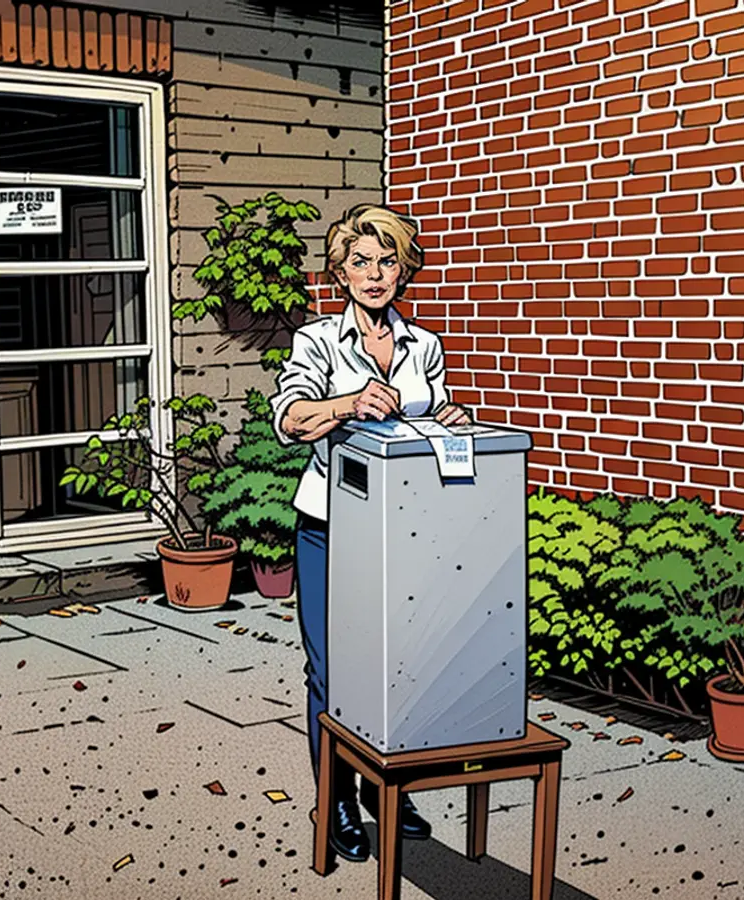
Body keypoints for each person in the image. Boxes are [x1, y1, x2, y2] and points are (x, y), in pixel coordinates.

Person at [270, 204, 473, 862]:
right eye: (361, 261)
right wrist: (348, 404)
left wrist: (449, 415)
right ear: (341, 270)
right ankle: (333, 801)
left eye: (388, 261)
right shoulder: (318, 342)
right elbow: (293, 420)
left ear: (403, 268)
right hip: (332, 527)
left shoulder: (424, 344)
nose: (375, 273)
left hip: (402, 529)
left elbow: (427, 421)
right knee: (332, 672)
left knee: (395, 670)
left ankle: (388, 786)